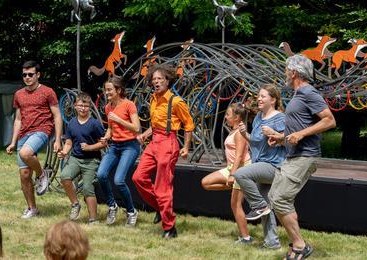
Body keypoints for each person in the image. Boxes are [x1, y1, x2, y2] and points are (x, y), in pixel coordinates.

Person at [267, 54, 336, 259]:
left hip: (305, 156)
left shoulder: (308, 92)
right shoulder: (298, 95)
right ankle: (297, 242)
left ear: (294, 72)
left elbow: (330, 120)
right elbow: (299, 128)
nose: (286, 73)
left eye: (287, 69)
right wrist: (281, 138)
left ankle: (300, 245)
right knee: (276, 198)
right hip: (294, 154)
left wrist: (301, 134)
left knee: (279, 199)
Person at [132, 63, 195, 238]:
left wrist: (186, 146)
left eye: (160, 79)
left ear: (168, 81)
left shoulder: (176, 101)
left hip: (168, 143)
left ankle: (169, 227)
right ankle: (161, 207)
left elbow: (188, 124)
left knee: (162, 188)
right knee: (138, 177)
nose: (156, 82)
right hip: (154, 142)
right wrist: (145, 134)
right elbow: (156, 124)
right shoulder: (153, 98)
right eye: (154, 79)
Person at [6, 60, 62, 219]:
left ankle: (42, 174)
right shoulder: (19, 94)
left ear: (38, 75)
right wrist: (13, 141)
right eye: (24, 75)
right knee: (24, 175)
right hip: (24, 133)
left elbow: (57, 116)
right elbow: (18, 119)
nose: (27, 77)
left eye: (31, 74)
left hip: (42, 130)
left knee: (25, 153)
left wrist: (57, 139)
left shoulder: (48, 92)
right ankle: (32, 208)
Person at [233, 84, 285, 249]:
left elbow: (288, 141)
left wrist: (273, 133)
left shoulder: (280, 118)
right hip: (260, 164)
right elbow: (255, 142)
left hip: (274, 165)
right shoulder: (258, 118)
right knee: (266, 209)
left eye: (263, 96)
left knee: (240, 174)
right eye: (258, 96)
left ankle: (258, 206)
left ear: (273, 100)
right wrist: (244, 134)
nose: (259, 99)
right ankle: (272, 243)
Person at [201, 103, 252, 244]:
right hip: (231, 168)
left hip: (241, 169)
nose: (226, 117)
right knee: (206, 182)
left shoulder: (240, 134)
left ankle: (246, 238)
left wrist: (232, 175)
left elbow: (240, 157)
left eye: (228, 115)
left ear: (236, 118)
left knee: (235, 204)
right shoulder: (233, 131)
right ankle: (237, 187)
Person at [96, 76, 141, 227]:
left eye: (109, 89)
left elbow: (136, 128)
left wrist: (118, 119)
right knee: (101, 175)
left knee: (118, 180)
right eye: (105, 89)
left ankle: (131, 211)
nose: (106, 92)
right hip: (115, 146)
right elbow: (110, 128)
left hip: (130, 146)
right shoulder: (108, 107)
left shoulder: (129, 105)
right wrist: (106, 137)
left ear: (119, 90)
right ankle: (112, 206)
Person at [58, 92, 105, 224]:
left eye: (86, 106)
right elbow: (68, 142)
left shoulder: (94, 124)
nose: (83, 108)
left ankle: (93, 219)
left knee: (87, 189)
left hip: (91, 160)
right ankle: (75, 204)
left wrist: (90, 147)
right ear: (75, 106)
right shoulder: (72, 123)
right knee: (65, 176)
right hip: (75, 158)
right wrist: (64, 152)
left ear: (90, 107)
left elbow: (104, 143)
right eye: (80, 105)